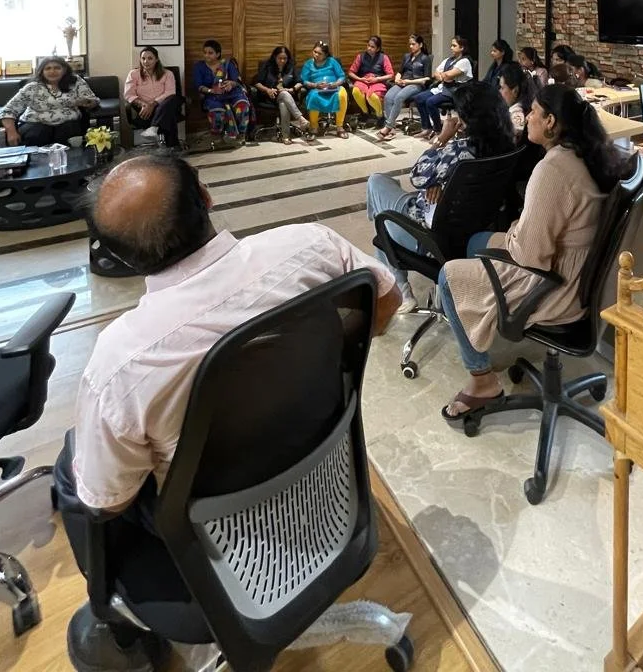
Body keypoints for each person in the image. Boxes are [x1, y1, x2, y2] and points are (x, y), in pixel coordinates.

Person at [55, 149, 400, 672]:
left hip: (220, 536)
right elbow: (386, 301)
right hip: (330, 487)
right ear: (206, 195)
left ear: (121, 259)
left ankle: (117, 618)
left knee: (71, 468)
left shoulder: (121, 362)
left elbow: (108, 501)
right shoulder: (311, 247)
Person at [439, 85, 626, 420]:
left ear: (551, 121)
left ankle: (481, 380)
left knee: (448, 276)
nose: (526, 117)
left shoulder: (553, 170)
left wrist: (514, 231)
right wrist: (515, 229)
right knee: (476, 241)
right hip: (579, 277)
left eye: (534, 112)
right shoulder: (586, 154)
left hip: (552, 286)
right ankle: (483, 326)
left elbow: (530, 256)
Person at [366, 82, 514, 313]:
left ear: (467, 118)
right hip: (472, 228)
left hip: (430, 235)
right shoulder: (508, 146)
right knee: (384, 212)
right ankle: (399, 283)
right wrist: (439, 181)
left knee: (377, 185)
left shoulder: (458, 150)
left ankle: (402, 291)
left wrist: (442, 138)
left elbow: (417, 174)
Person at [0, 56, 99, 146]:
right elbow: (8, 111)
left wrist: (89, 103)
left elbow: (92, 100)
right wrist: (11, 132)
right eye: (48, 68)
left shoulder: (75, 81)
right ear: (41, 71)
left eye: (57, 68)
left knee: (69, 131)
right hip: (35, 124)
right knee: (39, 132)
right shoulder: (32, 87)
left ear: (64, 70)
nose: (52, 71)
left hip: (68, 124)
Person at [412, 35, 474, 138]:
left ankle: (438, 131)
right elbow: (436, 73)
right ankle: (427, 128)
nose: (451, 48)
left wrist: (444, 75)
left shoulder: (465, 61)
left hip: (455, 91)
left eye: (454, 45)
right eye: (451, 45)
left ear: (462, 48)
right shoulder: (448, 60)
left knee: (430, 102)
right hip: (442, 87)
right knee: (418, 98)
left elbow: (449, 75)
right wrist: (443, 76)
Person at [192, 40, 252, 143]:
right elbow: (199, 86)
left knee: (243, 106)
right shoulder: (199, 66)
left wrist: (230, 84)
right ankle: (217, 135)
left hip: (232, 94)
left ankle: (241, 134)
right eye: (205, 52)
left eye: (210, 53)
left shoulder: (227, 64)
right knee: (217, 112)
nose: (207, 55)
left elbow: (236, 81)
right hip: (212, 96)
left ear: (218, 54)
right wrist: (212, 90)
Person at [252, 45, 310, 144]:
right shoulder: (267, 66)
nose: (282, 61)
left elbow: (300, 82)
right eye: (280, 58)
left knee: (283, 101)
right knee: (284, 95)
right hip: (270, 96)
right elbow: (257, 82)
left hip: (287, 95)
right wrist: (267, 90)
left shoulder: (291, 66)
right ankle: (300, 118)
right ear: (275, 57)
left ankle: (285, 136)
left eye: (285, 58)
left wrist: (293, 89)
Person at [378, 33, 432, 140]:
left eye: (413, 44)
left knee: (399, 97)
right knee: (388, 97)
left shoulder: (425, 58)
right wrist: (398, 78)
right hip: (403, 82)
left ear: (420, 45)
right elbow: (400, 71)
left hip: (416, 84)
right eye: (410, 44)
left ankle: (388, 127)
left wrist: (408, 81)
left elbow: (427, 78)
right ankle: (392, 129)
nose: (411, 46)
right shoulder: (407, 56)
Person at [124, 47, 180, 148]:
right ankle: (173, 149)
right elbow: (129, 94)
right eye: (143, 58)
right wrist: (144, 104)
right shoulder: (133, 74)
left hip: (163, 107)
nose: (146, 61)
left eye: (150, 58)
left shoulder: (168, 74)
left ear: (156, 59)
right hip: (144, 110)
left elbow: (170, 92)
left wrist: (153, 104)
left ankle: (154, 127)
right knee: (169, 116)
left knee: (172, 99)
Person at [300, 41, 349, 138]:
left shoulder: (332, 61)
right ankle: (314, 127)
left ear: (326, 55)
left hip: (334, 88)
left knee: (342, 94)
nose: (316, 55)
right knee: (313, 96)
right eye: (315, 52)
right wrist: (315, 85)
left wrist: (335, 84)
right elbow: (304, 81)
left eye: (319, 53)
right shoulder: (308, 64)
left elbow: (342, 76)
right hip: (317, 89)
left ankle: (339, 127)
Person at [347, 36, 394, 122]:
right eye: (368, 45)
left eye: (372, 47)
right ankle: (365, 112)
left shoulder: (383, 57)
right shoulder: (360, 56)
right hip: (363, 80)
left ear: (378, 48)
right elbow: (350, 72)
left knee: (372, 96)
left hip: (377, 81)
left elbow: (390, 75)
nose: (369, 48)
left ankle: (380, 115)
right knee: (355, 91)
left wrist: (377, 79)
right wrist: (360, 79)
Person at [497, 60, 533, 136]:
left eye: (502, 88)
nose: (499, 91)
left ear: (515, 90)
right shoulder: (511, 110)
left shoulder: (517, 114)